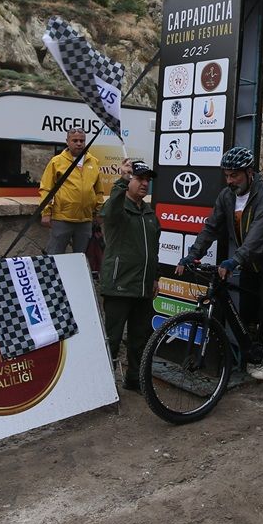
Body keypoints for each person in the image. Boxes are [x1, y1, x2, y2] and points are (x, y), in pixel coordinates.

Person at [177, 146, 263, 381]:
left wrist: (234, 260)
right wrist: (193, 255)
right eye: (227, 175)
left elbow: (258, 234)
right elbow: (211, 227)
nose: (229, 180)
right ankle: (256, 356)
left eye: (235, 175)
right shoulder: (226, 196)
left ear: (249, 172)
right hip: (249, 260)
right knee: (247, 311)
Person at [100, 159, 160, 393]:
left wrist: (154, 278)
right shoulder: (117, 208)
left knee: (139, 338)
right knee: (112, 339)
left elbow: (153, 250)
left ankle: (135, 380)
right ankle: (103, 386)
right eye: (140, 179)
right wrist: (121, 180)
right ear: (129, 181)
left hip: (143, 287)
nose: (145, 183)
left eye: (147, 180)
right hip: (119, 286)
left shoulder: (149, 213)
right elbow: (109, 211)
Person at [40, 128, 104, 255]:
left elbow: (98, 191)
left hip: (85, 220)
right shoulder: (56, 162)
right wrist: (46, 212)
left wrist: (99, 211)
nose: (79, 143)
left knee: (81, 257)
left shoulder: (94, 162)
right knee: (55, 255)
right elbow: (46, 188)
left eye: (82, 140)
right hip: (62, 218)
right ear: (67, 142)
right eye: (75, 140)